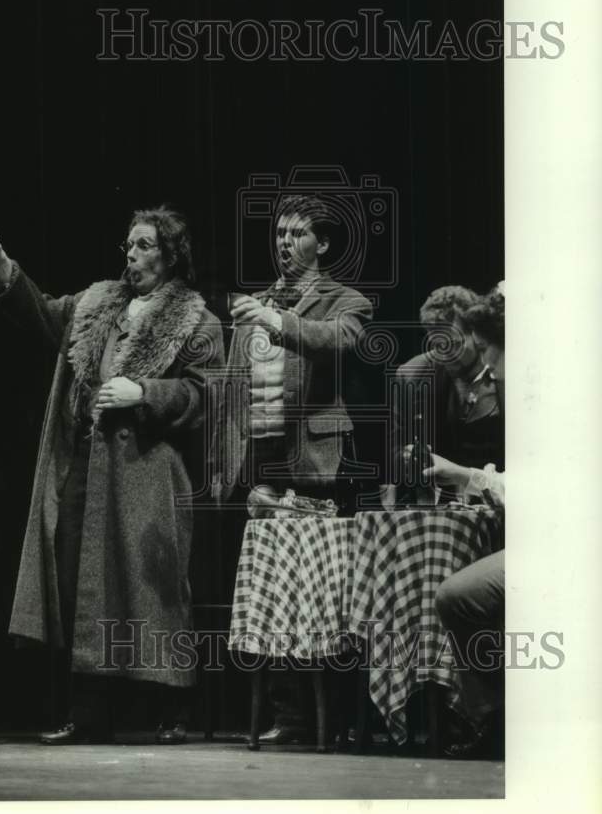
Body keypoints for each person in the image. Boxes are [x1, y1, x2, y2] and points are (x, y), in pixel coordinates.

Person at [0, 206, 224, 744]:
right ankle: (84, 712)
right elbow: (40, 311)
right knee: (77, 582)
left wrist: (146, 392)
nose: (131, 255)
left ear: (171, 254)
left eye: (144, 245)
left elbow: (208, 395)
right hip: (85, 462)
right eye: (128, 245)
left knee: (153, 588)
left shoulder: (197, 321)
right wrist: (2, 268)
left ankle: (173, 708)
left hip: (148, 473)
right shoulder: (97, 304)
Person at [213, 193, 374, 744]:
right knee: (275, 590)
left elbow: (340, 342)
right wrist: (226, 458)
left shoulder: (346, 300)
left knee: (327, 594)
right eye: (279, 232)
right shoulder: (256, 304)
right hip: (266, 460)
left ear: (322, 243)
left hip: (318, 463)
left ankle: (344, 719)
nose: (284, 241)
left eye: (298, 233)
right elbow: (235, 386)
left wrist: (276, 320)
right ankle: (289, 714)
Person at [429, 284, 506, 758]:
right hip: (477, 508)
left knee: (458, 593)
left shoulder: (512, 381)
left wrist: (469, 479)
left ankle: (488, 716)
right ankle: (476, 714)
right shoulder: (429, 379)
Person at [391, 284, 504, 494]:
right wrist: (407, 457)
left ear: (477, 334)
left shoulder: (504, 366)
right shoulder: (412, 376)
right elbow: (394, 451)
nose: (445, 356)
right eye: (437, 345)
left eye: (454, 344)